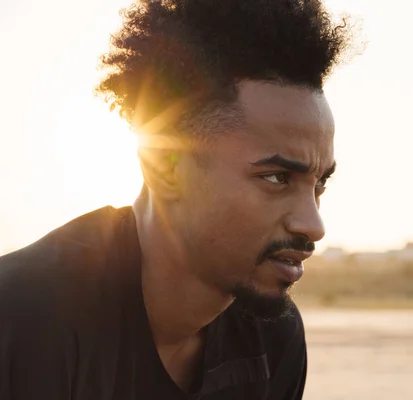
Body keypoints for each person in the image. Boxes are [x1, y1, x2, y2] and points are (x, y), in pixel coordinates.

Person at [0, 0, 353, 399]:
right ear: (165, 166)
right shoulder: (26, 318)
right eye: (276, 177)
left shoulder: (272, 336)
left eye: (319, 184)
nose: (314, 225)